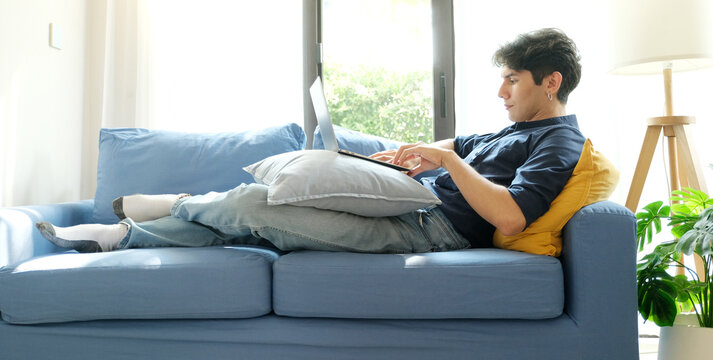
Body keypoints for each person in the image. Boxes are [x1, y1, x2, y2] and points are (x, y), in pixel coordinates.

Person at [37, 28, 586, 254]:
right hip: (410, 203)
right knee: (263, 205)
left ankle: (125, 232)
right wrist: (413, 153)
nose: (501, 91)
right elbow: (458, 141)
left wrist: (443, 160)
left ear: (551, 82)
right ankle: (120, 236)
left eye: (513, 79)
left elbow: (511, 218)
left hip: (431, 232)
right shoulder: (517, 128)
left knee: (258, 207)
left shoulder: (559, 143)